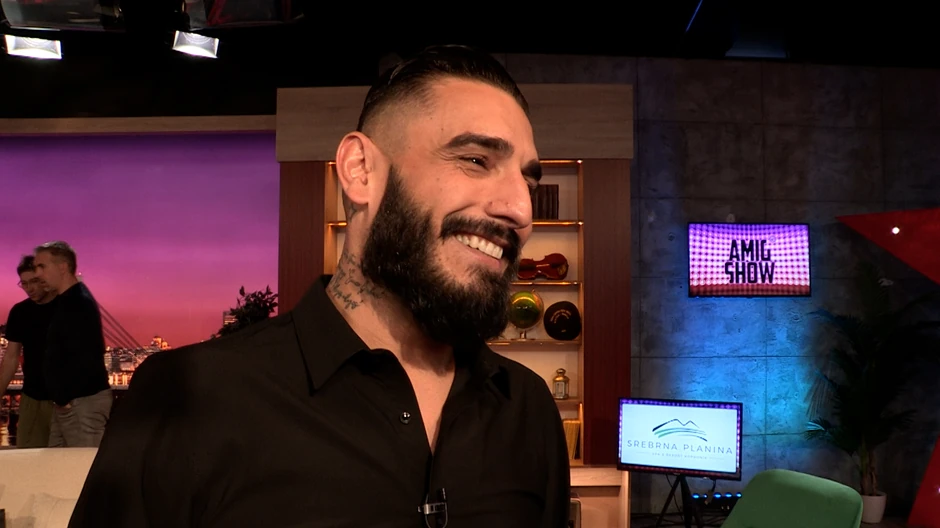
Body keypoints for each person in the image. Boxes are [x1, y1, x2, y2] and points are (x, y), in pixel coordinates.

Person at [69, 45, 570, 528]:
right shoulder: (190, 396)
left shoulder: (527, 410)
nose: (520, 210)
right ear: (360, 171)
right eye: (476, 160)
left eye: (528, 182)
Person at [32, 241, 112, 447]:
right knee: (59, 463)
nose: (37, 274)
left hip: (79, 404)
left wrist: (63, 399)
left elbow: (86, 355)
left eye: (42, 266)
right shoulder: (70, 300)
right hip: (72, 404)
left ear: (63, 267)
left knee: (82, 464)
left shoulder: (78, 303)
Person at [0, 255, 58, 448]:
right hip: (32, 398)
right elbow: (11, 358)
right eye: (24, 283)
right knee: (28, 454)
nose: (29, 288)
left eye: (34, 281)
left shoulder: (69, 308)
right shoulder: (20, 312)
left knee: (65, 458)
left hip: (66, 400)